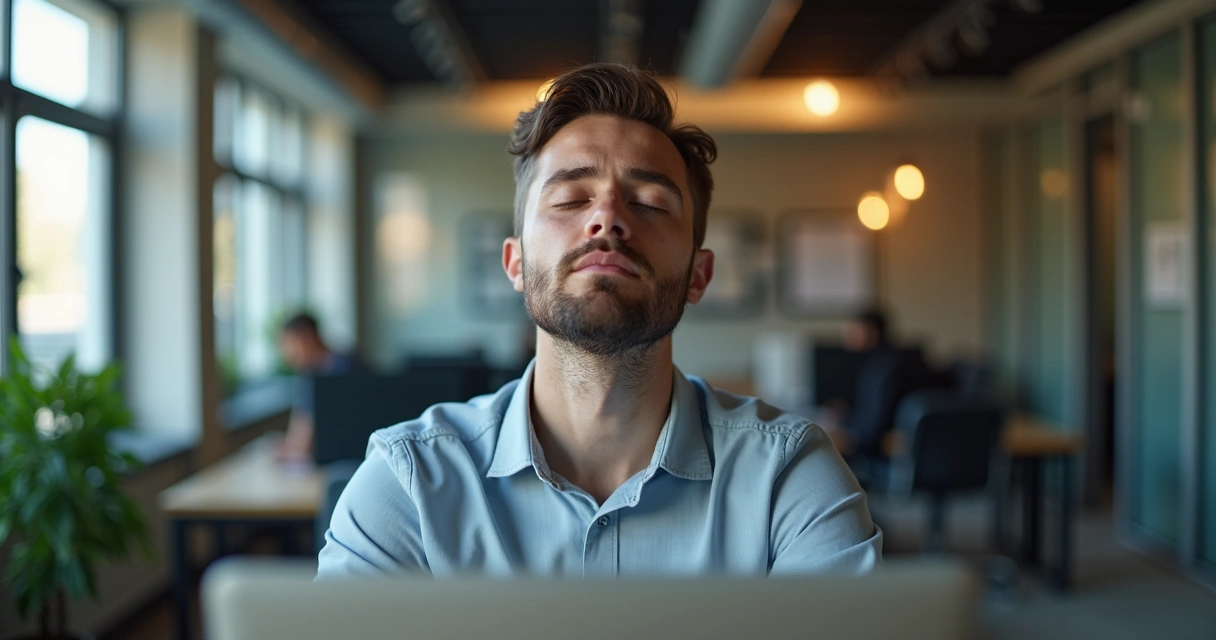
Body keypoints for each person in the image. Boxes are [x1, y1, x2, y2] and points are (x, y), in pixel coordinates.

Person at [317, 63, 881, 578]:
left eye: (651, 203)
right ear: (515, 264)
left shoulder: (788, 475)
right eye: (570, 199)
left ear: (698, 275)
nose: (607, 217)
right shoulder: (409, 481)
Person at [834, 308, 930, 483]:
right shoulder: (901, 359)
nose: (849, 335)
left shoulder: (882, 370)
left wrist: (844, 426)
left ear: (871, 331)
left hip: (888, 453)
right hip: (918, 454)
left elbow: (872, 428)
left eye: (855, 329)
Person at [275, 312, 361, 462]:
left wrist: (294, 448)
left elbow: (307, 445)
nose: (287, 355)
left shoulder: (345, 370)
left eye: (289, 343)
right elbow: (298, 435)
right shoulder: (309, 376)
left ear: (306, 338)